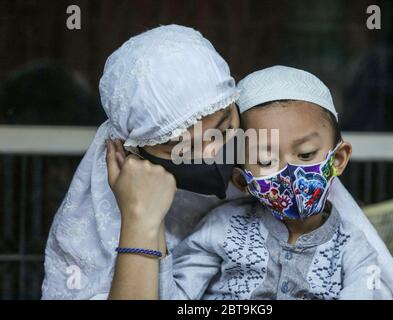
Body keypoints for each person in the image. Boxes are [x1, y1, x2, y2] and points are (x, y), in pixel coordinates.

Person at [155, 66, 393, 299]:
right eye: (266, 160)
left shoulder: (352, 247)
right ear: (242, 180)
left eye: (305, 155)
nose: (290, 173)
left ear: (337, 159)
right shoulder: (221, 228)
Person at [41, 24, 242, 300]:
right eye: (181, 146)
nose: (211, 153)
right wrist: (140, 221)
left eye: (222, 129)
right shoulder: (87, 238)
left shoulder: (272, 168)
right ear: (133, 149)